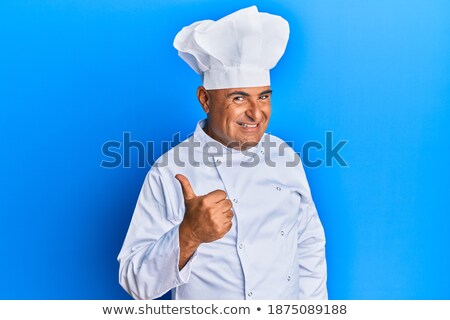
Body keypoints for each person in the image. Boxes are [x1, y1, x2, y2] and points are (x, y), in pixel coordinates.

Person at [117, 5, 327, 300]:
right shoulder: (170, 170)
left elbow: (309, 247)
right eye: (239, 98)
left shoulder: (286, 158)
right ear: (205, 99)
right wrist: (189, 234)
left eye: (264, 97)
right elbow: (134, 281)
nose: (256, 113)